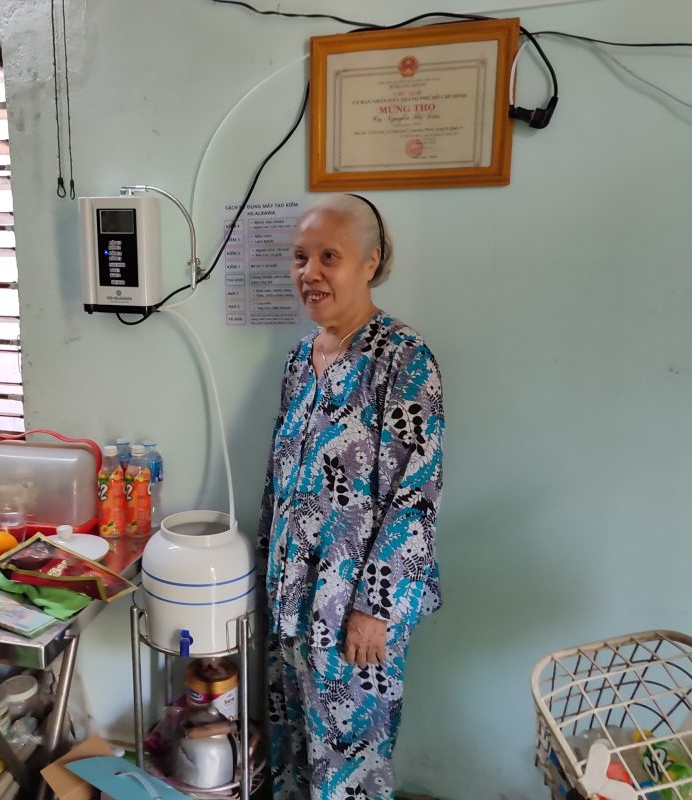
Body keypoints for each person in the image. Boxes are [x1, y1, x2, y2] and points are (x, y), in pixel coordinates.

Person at [258, 194, 444, 800]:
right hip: (289, 597)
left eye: (329, 257)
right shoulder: (299, 360)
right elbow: (279, 481)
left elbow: (417, 496)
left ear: (371, 261)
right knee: (292, 750)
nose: (309, 273)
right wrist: (266, 574)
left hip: (355, 611)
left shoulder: (403, 359)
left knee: (351, 767)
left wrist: (375, 609)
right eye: (300, 257)